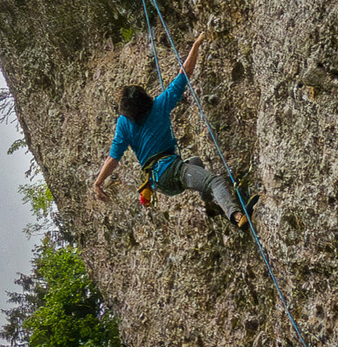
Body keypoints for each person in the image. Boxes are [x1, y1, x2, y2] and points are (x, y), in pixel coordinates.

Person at [92, 33, 245, 223]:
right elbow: (185, 73)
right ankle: (236, 215)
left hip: (158, 181)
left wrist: (98, 182)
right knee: (215, 181)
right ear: (144, 98)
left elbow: (113, 158)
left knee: (196, 162)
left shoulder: (124, 123)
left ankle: (210, 203)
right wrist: (196, 44)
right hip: (171, 170)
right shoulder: (159, 105)